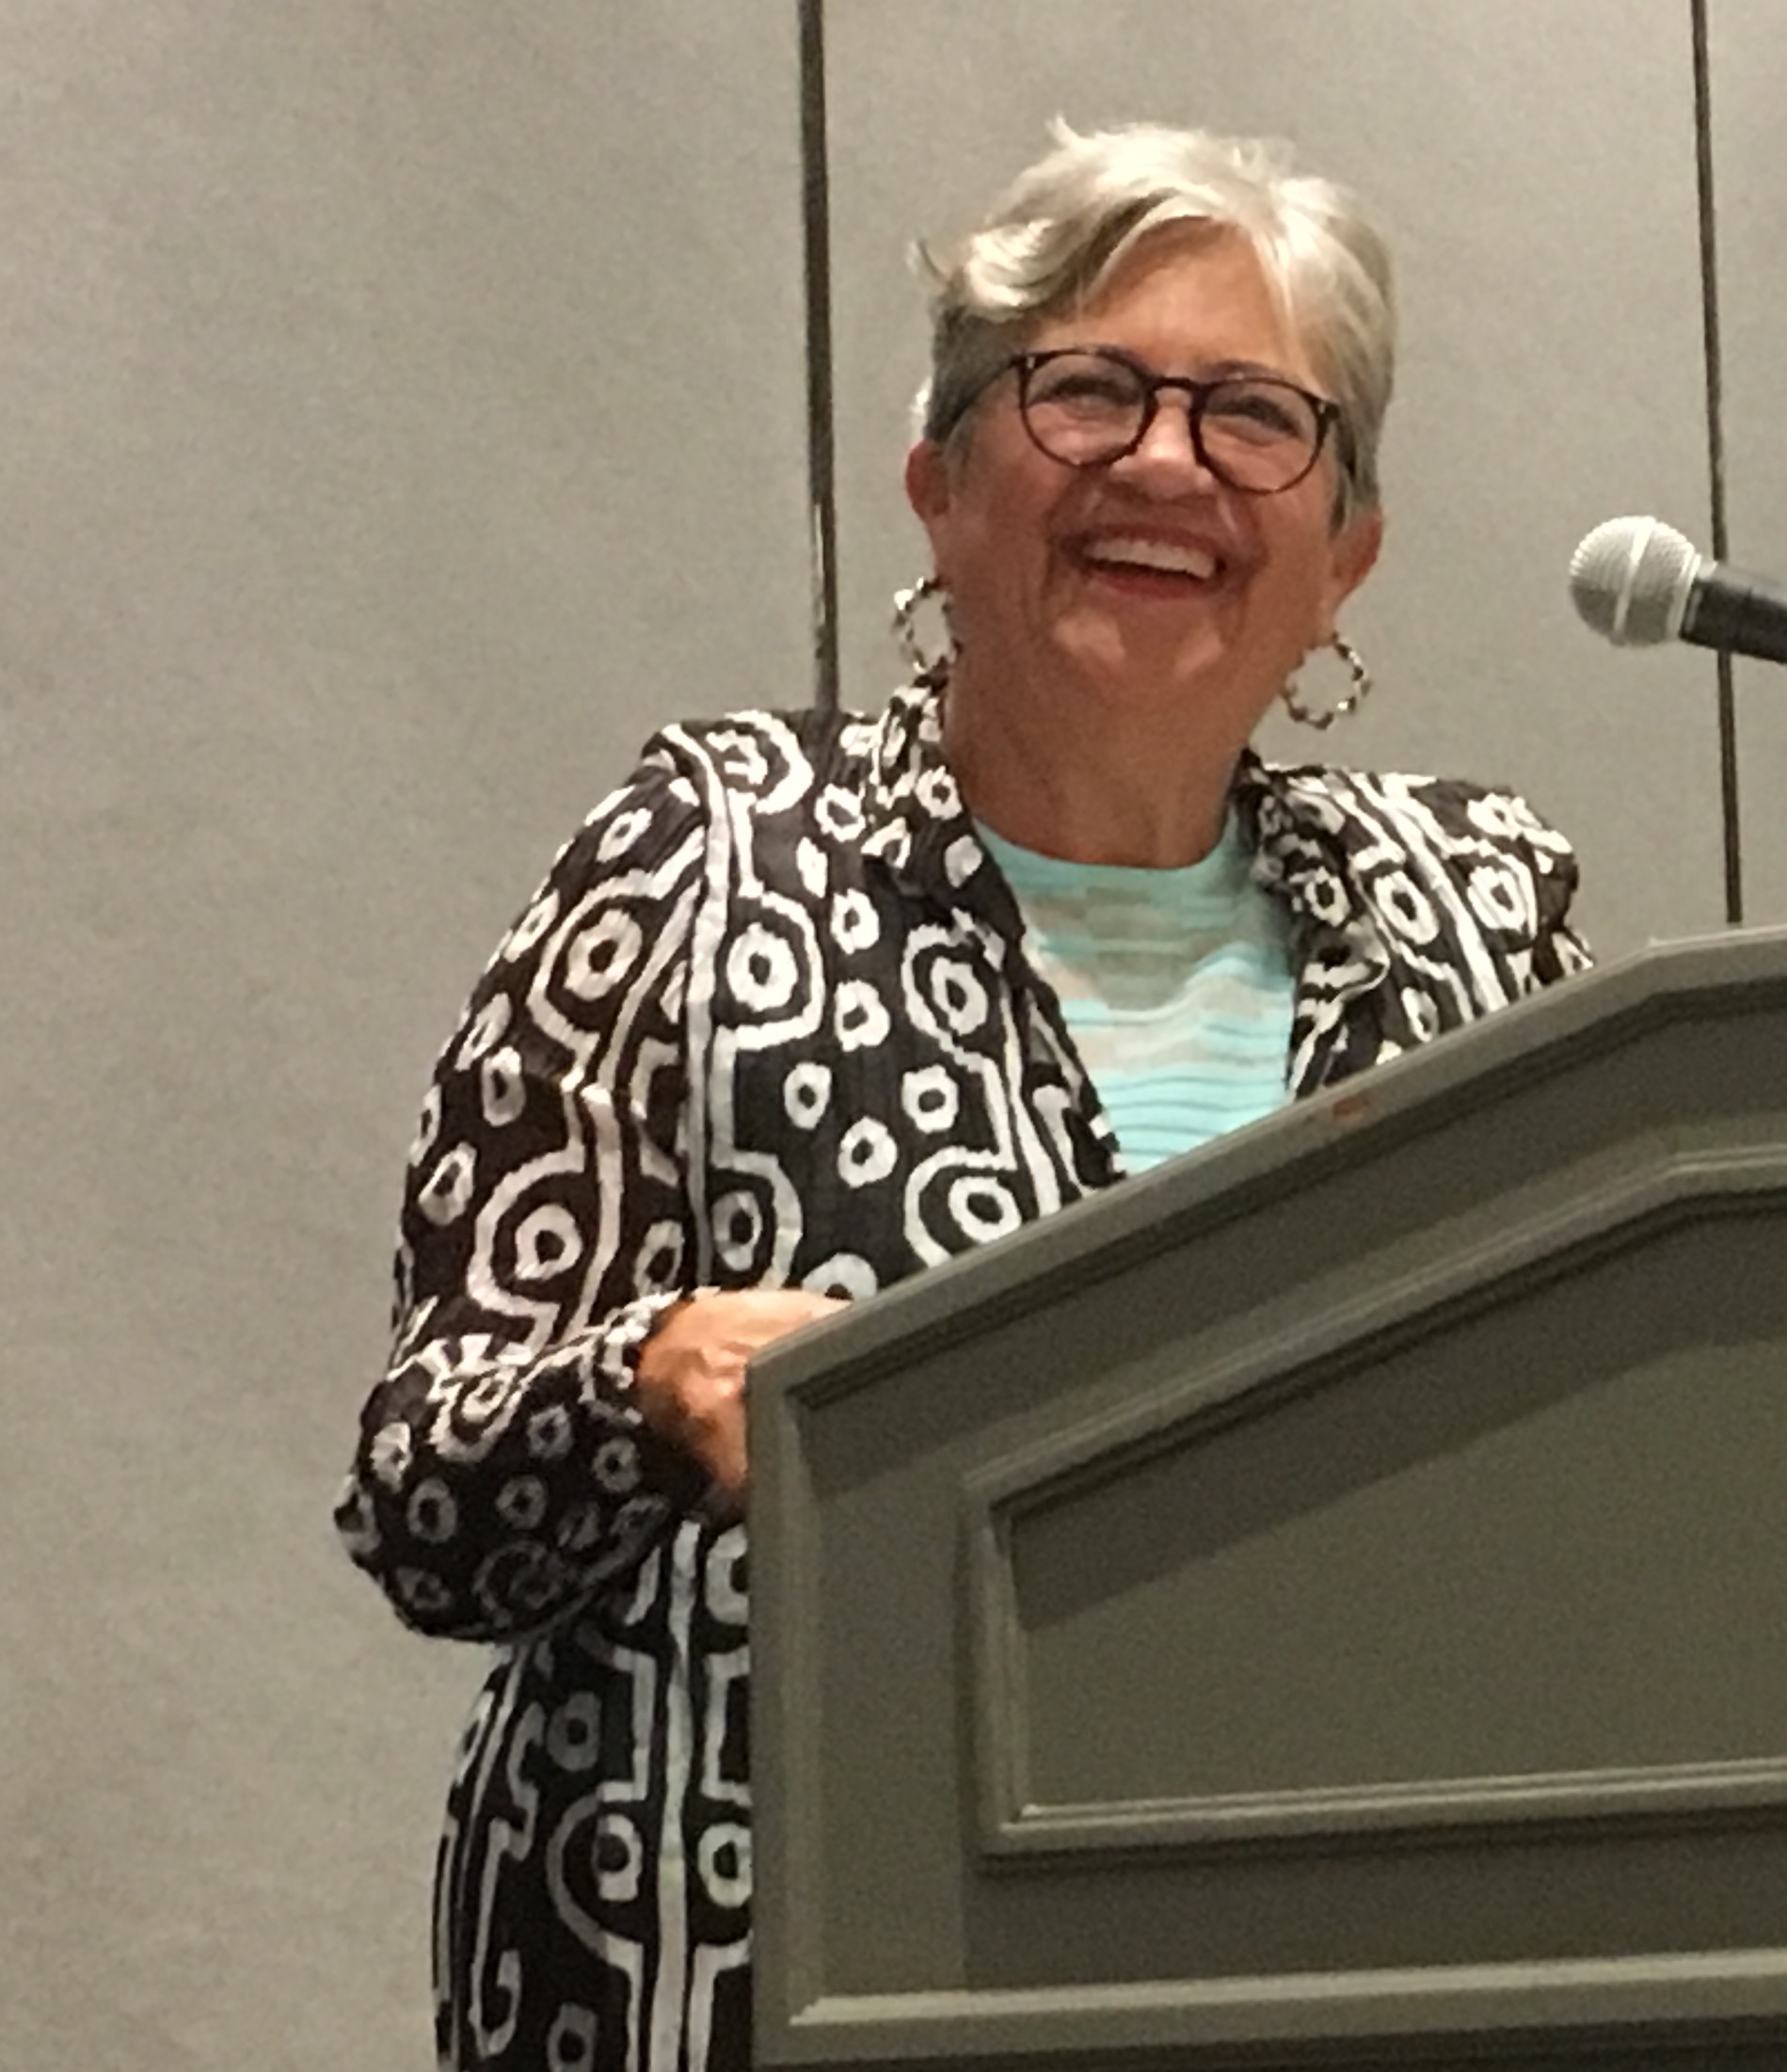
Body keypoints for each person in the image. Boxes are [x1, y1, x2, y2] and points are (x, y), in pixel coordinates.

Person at [334, 123, 1586, 2072]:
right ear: (940, 483)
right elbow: (424, 1493)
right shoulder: (708, 856)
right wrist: (649, 1389)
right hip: (762, 1999)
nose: (1166, 460)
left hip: (1334, 1977)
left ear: (1346, 555)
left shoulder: (1475, 919)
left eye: (1255, 415)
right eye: (1086, 390)